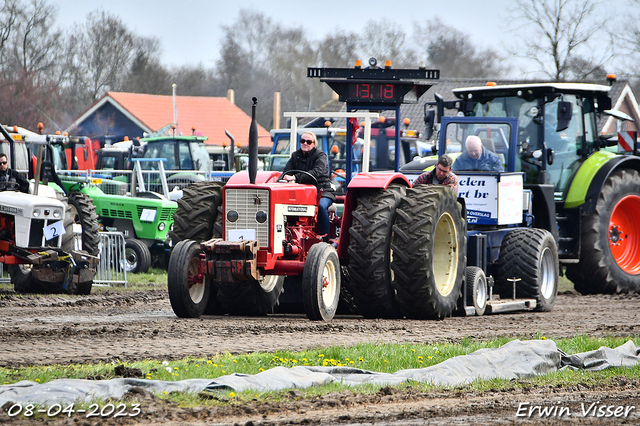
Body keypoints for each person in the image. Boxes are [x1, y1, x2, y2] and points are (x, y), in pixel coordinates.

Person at [282, 131, 336, 241]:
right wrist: (285, 177)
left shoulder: (320, 156)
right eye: (302, 141)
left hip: (322, 190)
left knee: (320, 206)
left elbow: (316, 172)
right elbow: (286, 172)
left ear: (314, 143)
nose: (305, 143)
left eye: (308, 141)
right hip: (302, 193)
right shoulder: (295, 156)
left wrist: (295, 177)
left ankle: (325, 239)